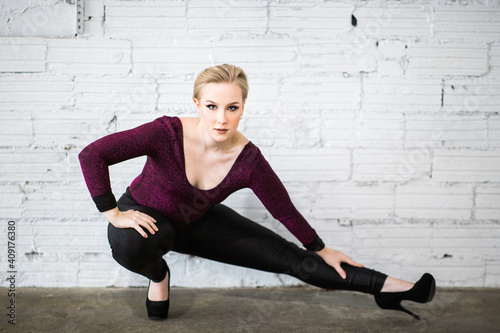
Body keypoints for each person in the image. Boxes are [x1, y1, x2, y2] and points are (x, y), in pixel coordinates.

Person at [78, 64, 435, 321]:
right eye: (212, 107)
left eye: (232, 108)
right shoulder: (165, 133)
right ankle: (159, 276)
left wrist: (322, 249)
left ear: (243, 108)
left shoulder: (248, 159)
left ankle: (393, 288)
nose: (222, 119)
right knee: (129, 244)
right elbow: (94, 154)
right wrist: (112, 212)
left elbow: (284, 210)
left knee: (300, 263)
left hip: (198, 224)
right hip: (145, 218)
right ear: (197, 103)